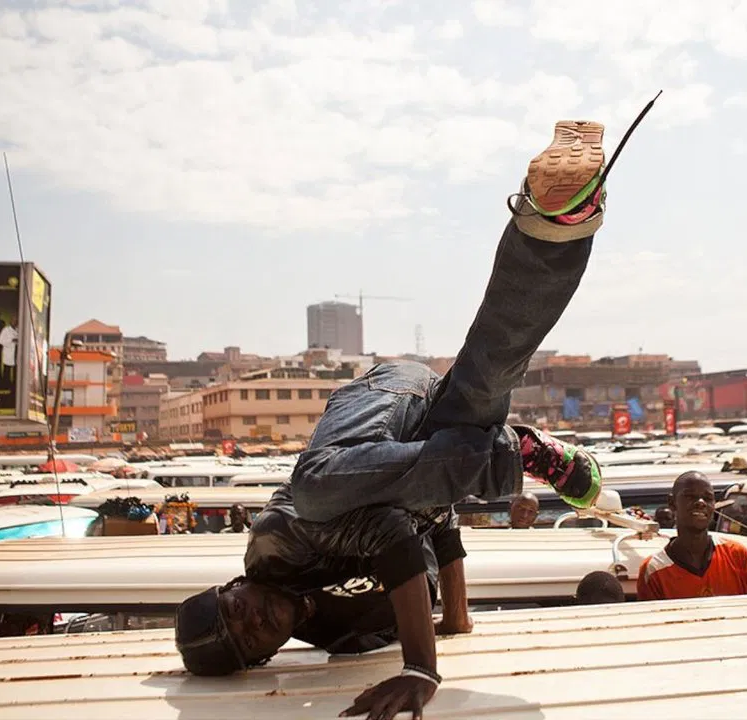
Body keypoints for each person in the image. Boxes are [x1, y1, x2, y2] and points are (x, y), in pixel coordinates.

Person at [173, 108, 659, 720]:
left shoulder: (273, 548)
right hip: (428, 459)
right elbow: (432, 526)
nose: (252, 619)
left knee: (316, 486)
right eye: (245, 638)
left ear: (231, 587)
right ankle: (556, 221)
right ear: (260, 660)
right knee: (489, 376)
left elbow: (387, 532)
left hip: (376, 414)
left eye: (234, 608)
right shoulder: (350, 637)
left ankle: (512, 449)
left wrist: (421, 667)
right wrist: (454, 618)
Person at [638, 471, 747, 601]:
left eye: (708, 498)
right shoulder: (654, 570)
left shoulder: (737, 555)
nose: (701, 502)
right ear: (672, 503)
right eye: (690, 496)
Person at [0, 317, 19, 385]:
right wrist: (11, 340)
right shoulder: (6, 330)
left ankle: (15, 384)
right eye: (13, 320)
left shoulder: (18, 330)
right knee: (7, 370)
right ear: (10, 322)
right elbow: (0, 341)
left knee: (16, 370)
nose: (14, 322)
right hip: (9, 352)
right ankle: (5, 384)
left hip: (16, 352)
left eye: (15, 321)